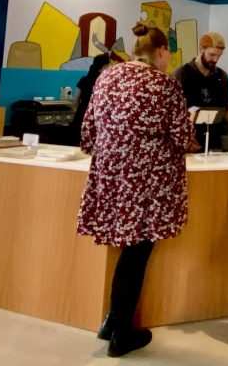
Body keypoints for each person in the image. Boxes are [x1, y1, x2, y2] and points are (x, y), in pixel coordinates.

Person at [77, 22, 195, 357]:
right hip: (147, 185)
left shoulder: (107, 78)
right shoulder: (165, 86)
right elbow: (183, 138)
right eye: (168, 54)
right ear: (160, 52)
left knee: (127, 252)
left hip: (111, 180)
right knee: (137, 253)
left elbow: (87, 133)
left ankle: (112, 322)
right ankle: (122, 334)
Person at [173, 32, 228, 150]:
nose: (215, 59)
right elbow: (174, 113)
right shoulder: (182, 74)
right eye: (212, 55)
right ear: (201, 49)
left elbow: (227, 111)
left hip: (214, 141)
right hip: (189, 141)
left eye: (219, 56)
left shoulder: (222, 77)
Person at [70, 53, 110, 146]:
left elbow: (75, 101)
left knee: (78, 145)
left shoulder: (84, 80)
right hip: (97, 118)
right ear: (104, 67)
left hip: (81, 115)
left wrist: (79, 111)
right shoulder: (105, 81)